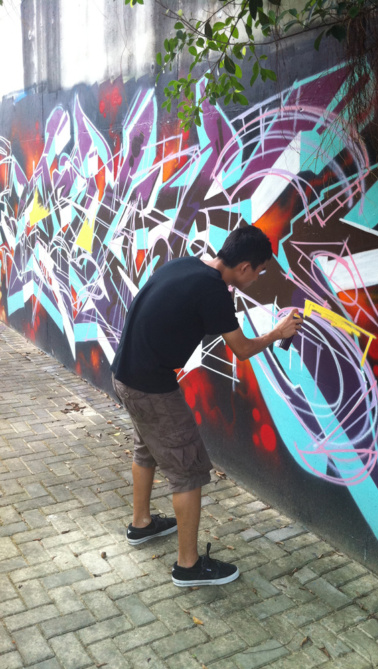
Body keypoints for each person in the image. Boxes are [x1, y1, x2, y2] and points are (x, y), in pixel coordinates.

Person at [111, 226, 302, 587]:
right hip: (151, 387)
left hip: (125, 375)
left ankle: (141, 524)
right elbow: (242, 349)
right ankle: (188, 567)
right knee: (189, 469)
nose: (257, 279)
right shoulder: (214, 291)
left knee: (147, 448)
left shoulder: (186, 265)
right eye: (259, 271)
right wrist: (277, 333)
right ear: (244, 267)